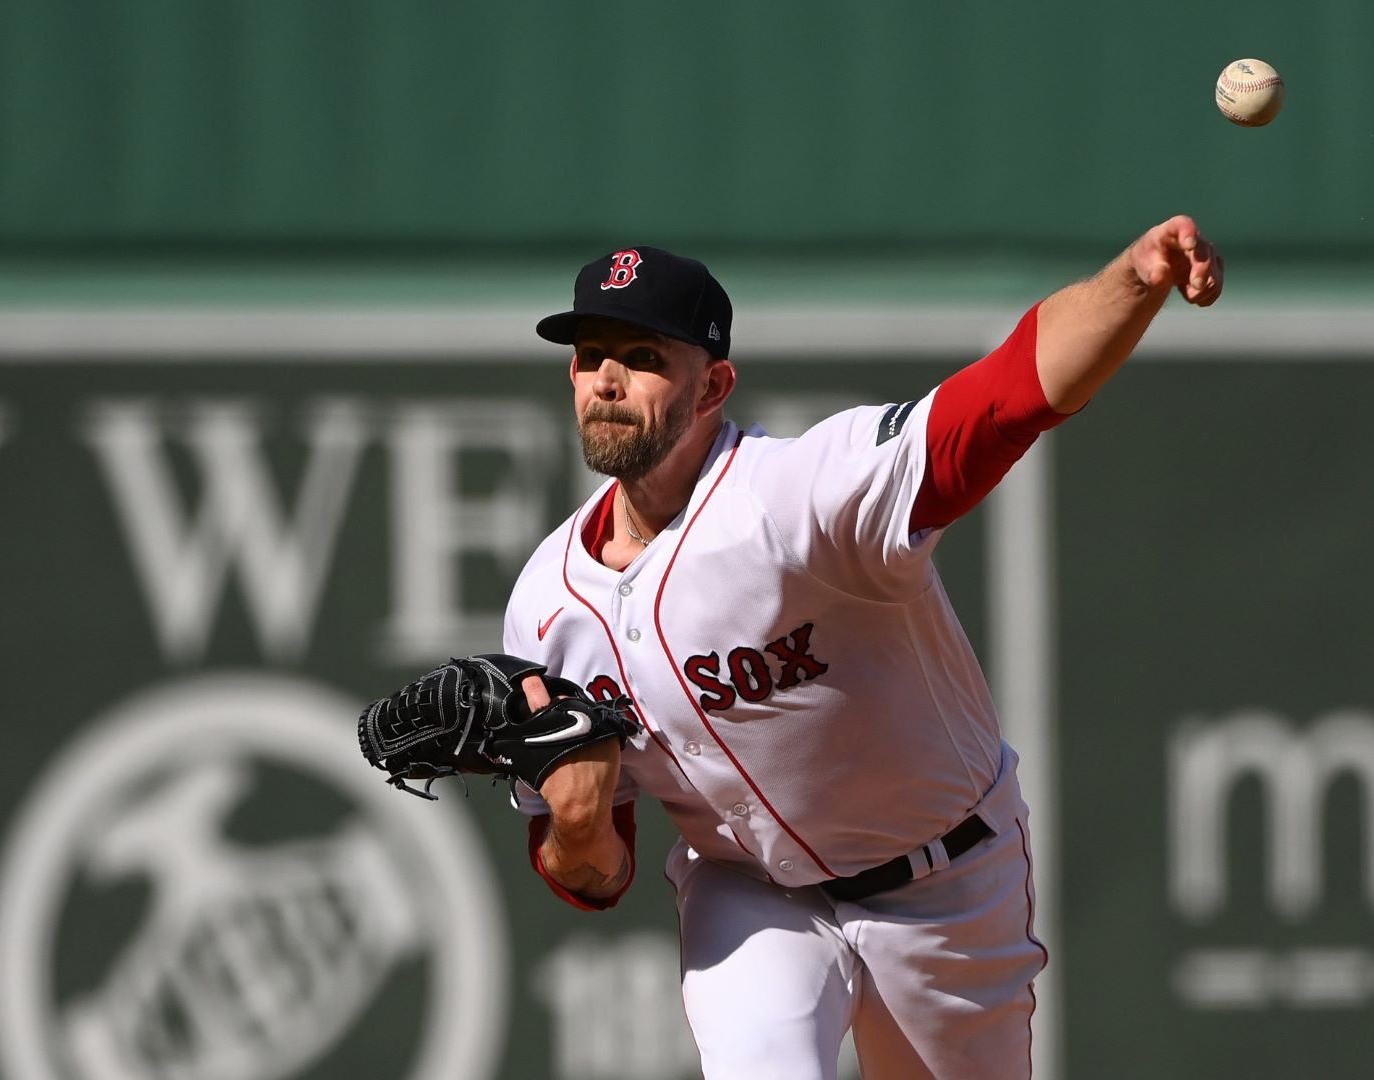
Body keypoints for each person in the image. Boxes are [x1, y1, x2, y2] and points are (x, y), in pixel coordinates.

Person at [503, 222, 1222, 1079]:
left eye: (644, 356)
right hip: (750, 891)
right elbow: (593, 874)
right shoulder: (547, 605)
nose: (608, 379)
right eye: (590, 353)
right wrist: (578, 826)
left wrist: (1134, 282)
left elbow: (995, 405)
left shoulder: (794, 495)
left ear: (712, 386)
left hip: (945, 887)